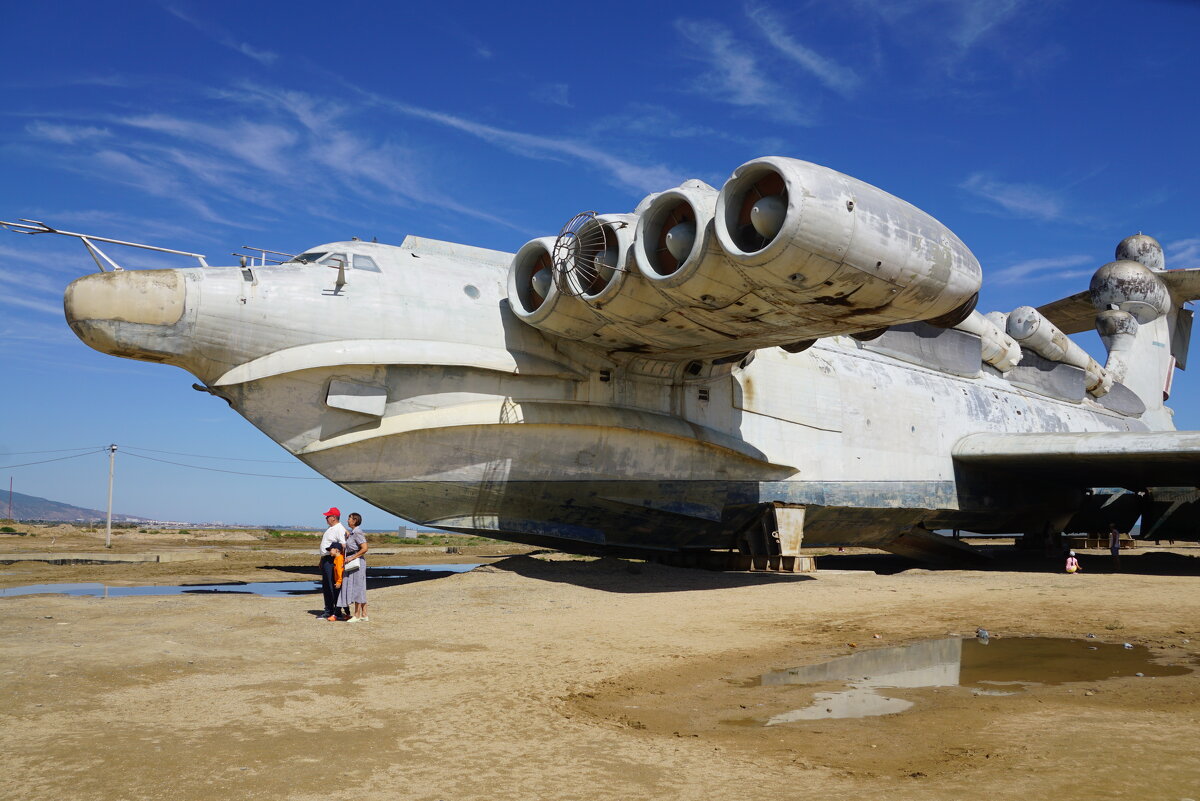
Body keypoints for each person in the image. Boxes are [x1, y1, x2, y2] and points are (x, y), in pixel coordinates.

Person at [339, 512, 370, 623]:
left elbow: (365, 548)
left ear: (354, 520)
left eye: (349, 519)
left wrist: (352, 558)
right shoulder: (353, 533)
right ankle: (364, 614)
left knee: (358, 587)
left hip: (357, 563)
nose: (347, 520)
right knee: (360, 587)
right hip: (355, 561)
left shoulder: (357, 532)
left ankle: (357, 615)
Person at [318, 507, 348, 620]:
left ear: (334, 517)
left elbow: (343, 545)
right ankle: (330, 609)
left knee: (331, 586)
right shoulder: (331, 528)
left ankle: (333, 611)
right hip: (326, 559)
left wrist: (338, 559)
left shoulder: (339, 528)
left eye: (328, 516)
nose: (326, 518)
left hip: (332, 560)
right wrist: (322, 559)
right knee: (326, 586)